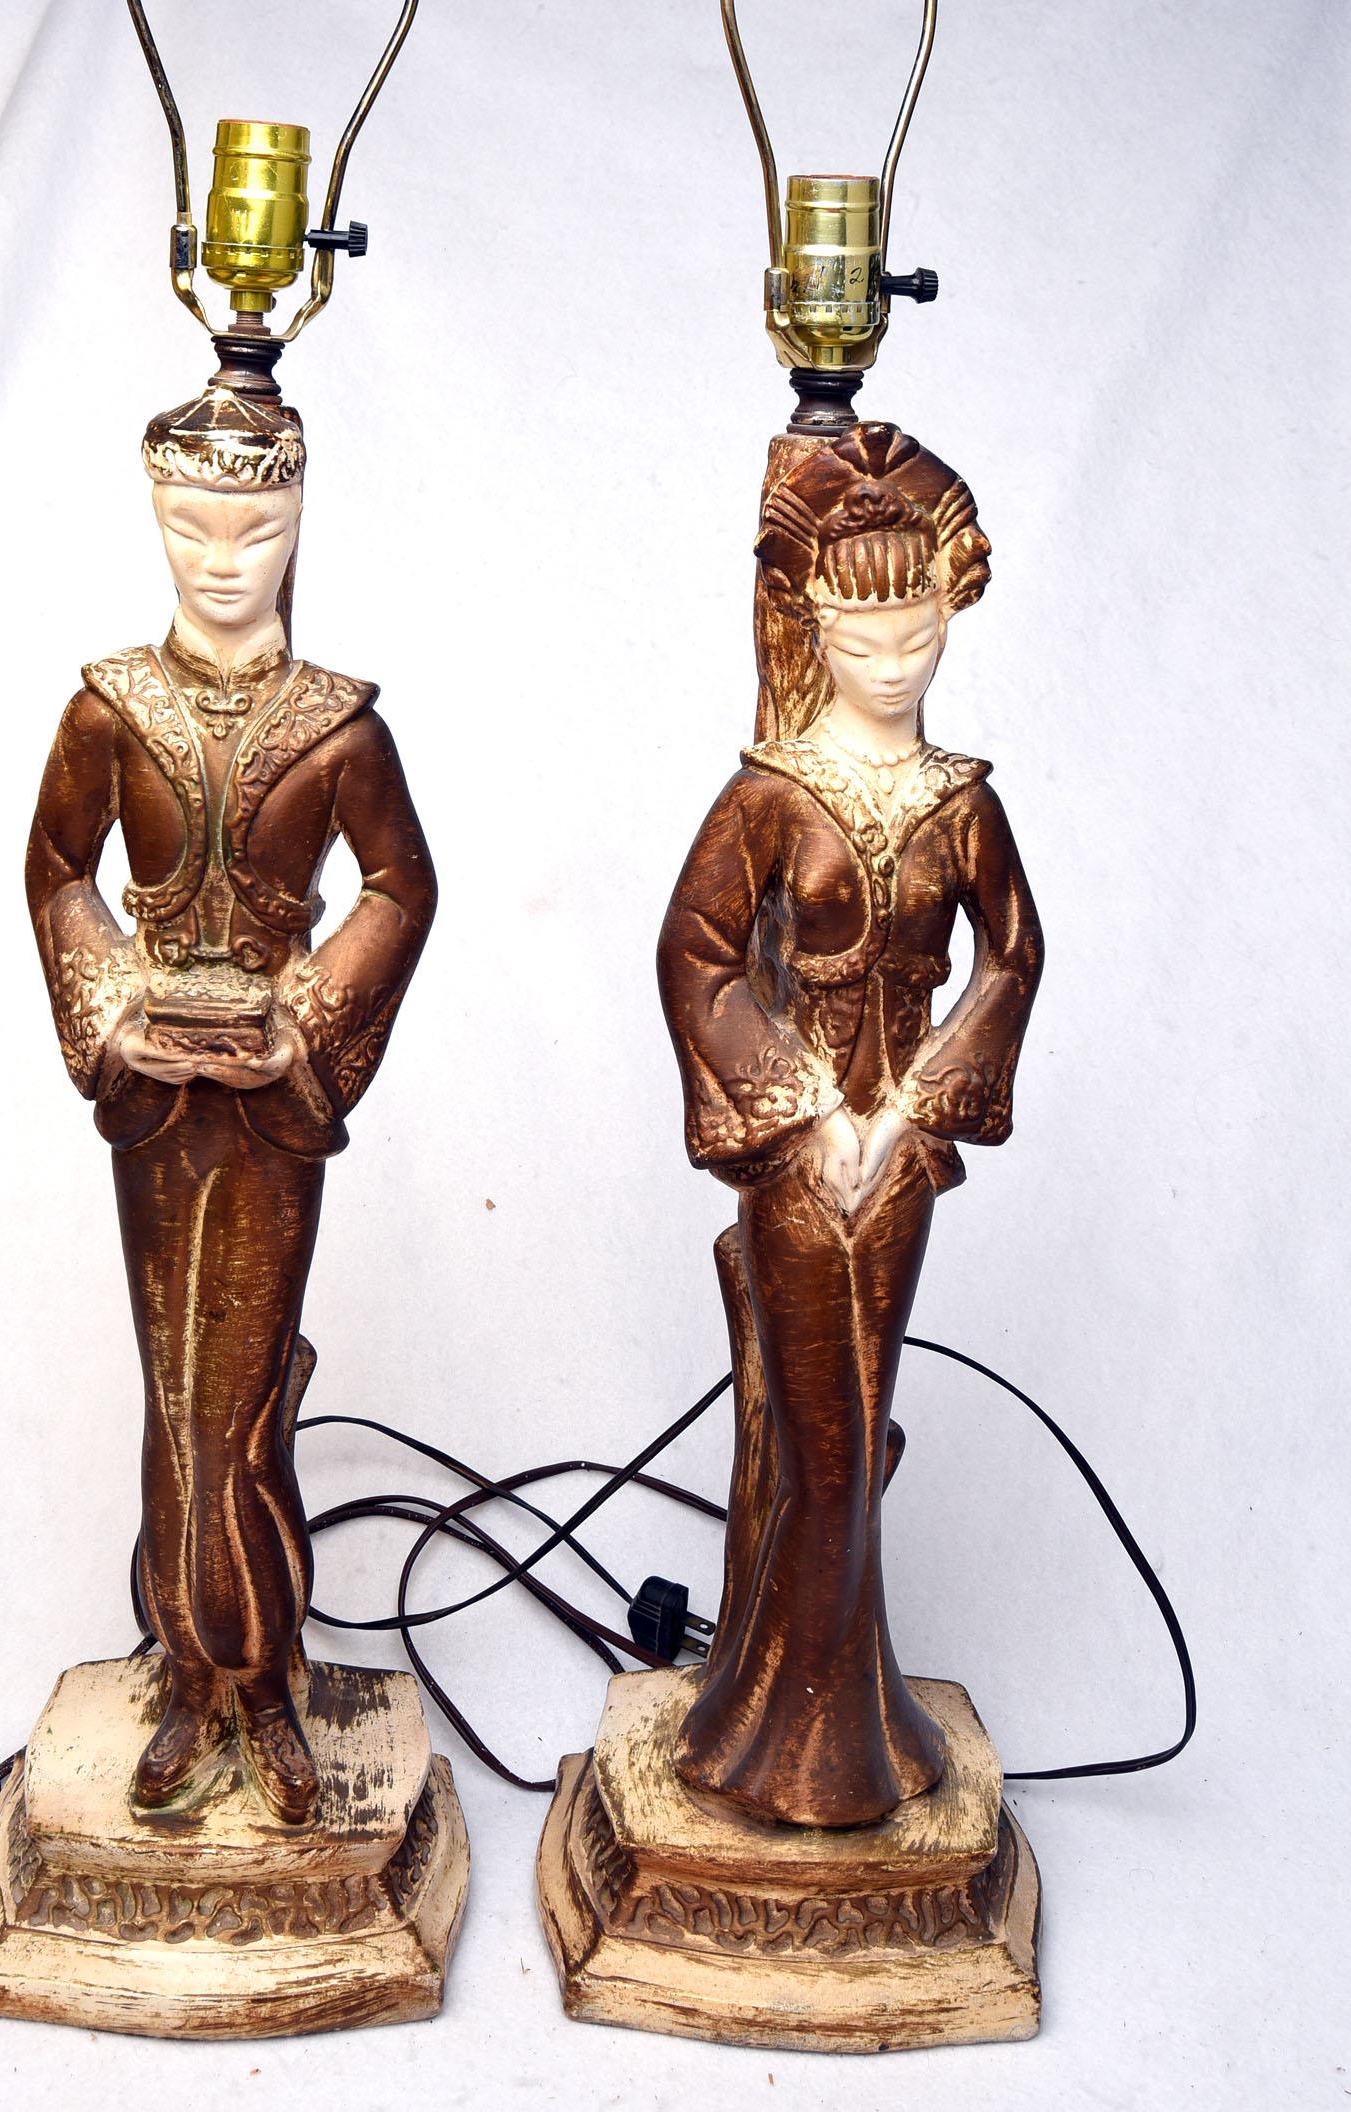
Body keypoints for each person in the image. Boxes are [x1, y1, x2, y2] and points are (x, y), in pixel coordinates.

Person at [25, 381, 436, 1823]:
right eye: (190, 526)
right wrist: (117, 1012)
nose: (220, 559)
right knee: (174, 1387)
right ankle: (191, 1673)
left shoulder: (337, 729)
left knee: (243, 1392)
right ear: (154, 518)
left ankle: (262, 1677)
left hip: (269, 1109)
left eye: (253, 529)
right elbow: (57, 872)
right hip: (156, 1102)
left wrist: (303, 1022)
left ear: (298, 524)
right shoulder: (111, 709)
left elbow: (401, 887)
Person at [657, 421, 1043, 1827]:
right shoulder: (770, 796)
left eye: (917, 633)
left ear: (948, 620)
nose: (892, 662)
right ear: (817, 623)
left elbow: (1013, 955)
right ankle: (791, 1733)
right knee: (824, 1444)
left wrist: (922, 1102)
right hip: (799, 1156)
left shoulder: (962, 806)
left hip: (904, 1160)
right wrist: (809, 1110)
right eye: (864, 636)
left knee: (859, 1428)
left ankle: (822, 1711)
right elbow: (697, 953)